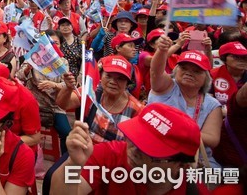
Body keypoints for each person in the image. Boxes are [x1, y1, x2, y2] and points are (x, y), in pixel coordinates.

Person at [50, 103, 207, 194]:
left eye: (150, 151)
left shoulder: (192, 190)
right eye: (134, 139)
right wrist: (73, 164)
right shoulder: (109, 155)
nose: (134, 151)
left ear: (181, 165)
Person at [149, 37, 223, 168]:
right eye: (184, 68)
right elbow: (156, 71)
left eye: (196, 71)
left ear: (206, 78)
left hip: (196, 160)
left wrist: (171, 129)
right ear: (176, 71)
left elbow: (212, 139)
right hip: (157, 155)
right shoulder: (165, 87)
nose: (189, 73)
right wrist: (161, 50)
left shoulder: (212, 104)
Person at [56, 55, 144, 144]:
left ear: (127, 83)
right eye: (108, 76)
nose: (113, 82)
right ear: (101, 76)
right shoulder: (91, 92)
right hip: (83, 151)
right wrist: (68, 88)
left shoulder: (137, 110)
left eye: (120, 79)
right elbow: (63, 104)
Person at [16, 30, 73, 153]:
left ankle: (63, 164)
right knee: (18, 128)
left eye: (55, 43)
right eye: (49, 43)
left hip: (54, 105)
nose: (52, 46)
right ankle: (24, 156)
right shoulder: (34, 57)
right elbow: (19, 76)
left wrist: (54, 85)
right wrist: (27, 69)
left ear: (60, 45)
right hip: (33, 103)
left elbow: (68, 84)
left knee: (67, 134)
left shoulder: (63, 63)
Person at [210, 41, 247, 115]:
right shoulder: (212, 75)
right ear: (224, 58)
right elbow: (206, 101)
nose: (242, 60)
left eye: (245, 57)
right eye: (236, 57)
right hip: (217, 115)